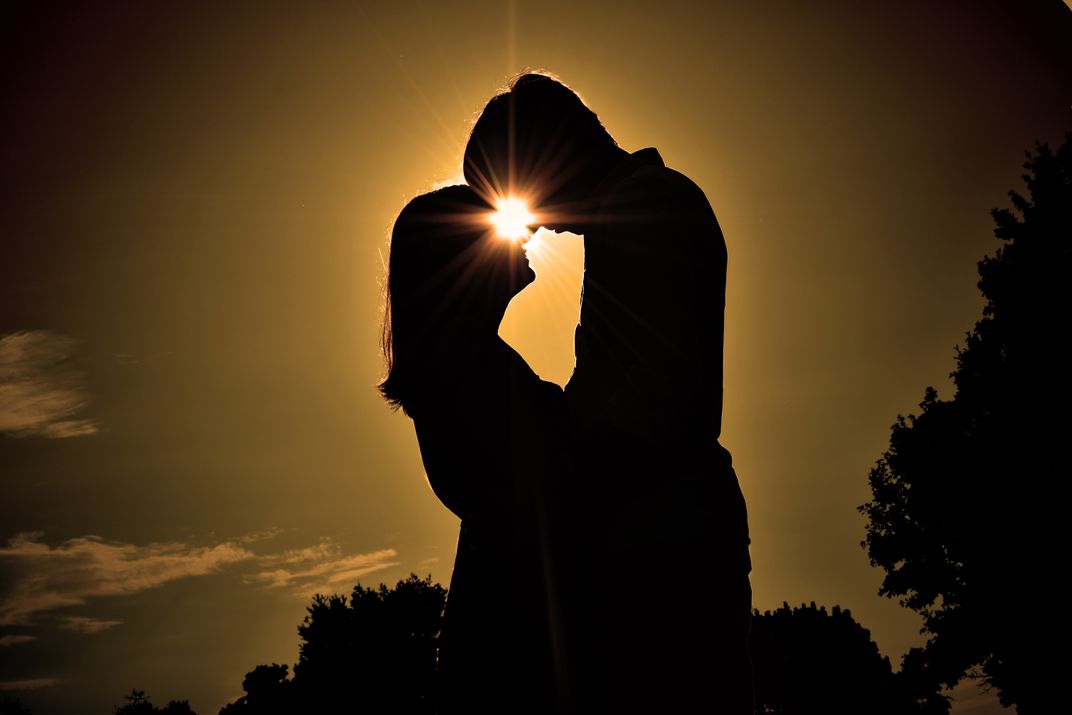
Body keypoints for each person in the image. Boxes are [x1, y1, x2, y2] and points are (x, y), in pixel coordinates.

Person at [464, 73, 754, 714]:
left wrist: (548, 488)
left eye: (524, 200)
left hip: (661, 535)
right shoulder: (636, 213)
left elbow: (653, 402)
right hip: (654, 521)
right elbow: (618, 381)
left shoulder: (647, 211)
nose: (534, 227)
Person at [379, 185, 572, 714]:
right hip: (514, 632)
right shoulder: (466, 367)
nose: (527, 230)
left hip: (501, 620)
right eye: (497, 225)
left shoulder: (464, 362)